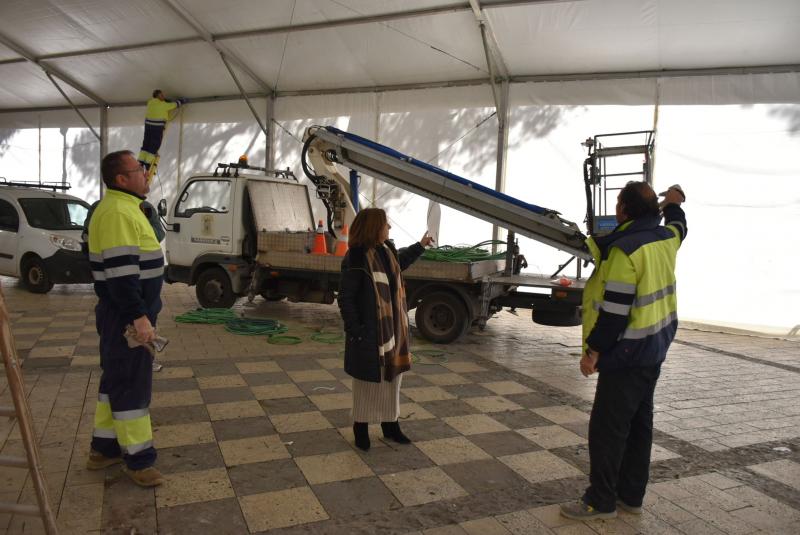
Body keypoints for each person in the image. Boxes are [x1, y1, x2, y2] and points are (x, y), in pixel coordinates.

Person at [560, 182, 687, 520]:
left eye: (618, 202)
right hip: (654, 348)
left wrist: (593, 352)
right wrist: (673, 203)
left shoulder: (625, 251)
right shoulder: (666, 238)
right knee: (640, 424)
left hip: (627, 355)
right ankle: (631, 495)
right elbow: (680, 225)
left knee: (607, 430)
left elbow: (615, 312)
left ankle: (600, 501)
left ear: (625, 210)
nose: (615, 208)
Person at [85, 150, 166, 487]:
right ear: (121, 179)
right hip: (126, 315)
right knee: (132, 386)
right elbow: (120, 275)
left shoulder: (125, 208)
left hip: (121, 313)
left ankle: (103, 450)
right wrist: (140, 317)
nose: (145, 173)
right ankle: (139, 461)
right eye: (138, 169)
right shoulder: (118, 212)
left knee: (115, 381)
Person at [338, 208, 434, 451]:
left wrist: (420, 246)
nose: (389, 228)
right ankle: (360, 428)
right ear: (374, 227)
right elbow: (346, 298)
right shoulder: (356, 257)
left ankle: (391, 426)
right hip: (370, 333)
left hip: (393, 333)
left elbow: (400, 263)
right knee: (367, 384)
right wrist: (356, 330)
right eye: (386, 225)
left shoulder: (387, 250)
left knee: (392, 381)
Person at [137, 89, 186, 172]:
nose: (163, 96)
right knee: (154, 145)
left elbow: (159, 105)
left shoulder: (150, 103)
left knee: (146, 143)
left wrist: (164, 101)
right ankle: (148, 163)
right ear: (157, 96)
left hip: (148, 126)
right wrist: (181, 101)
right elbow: (174, 105)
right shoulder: (163, 105)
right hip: (157, 127)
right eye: (161, 95)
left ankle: (140, 161)